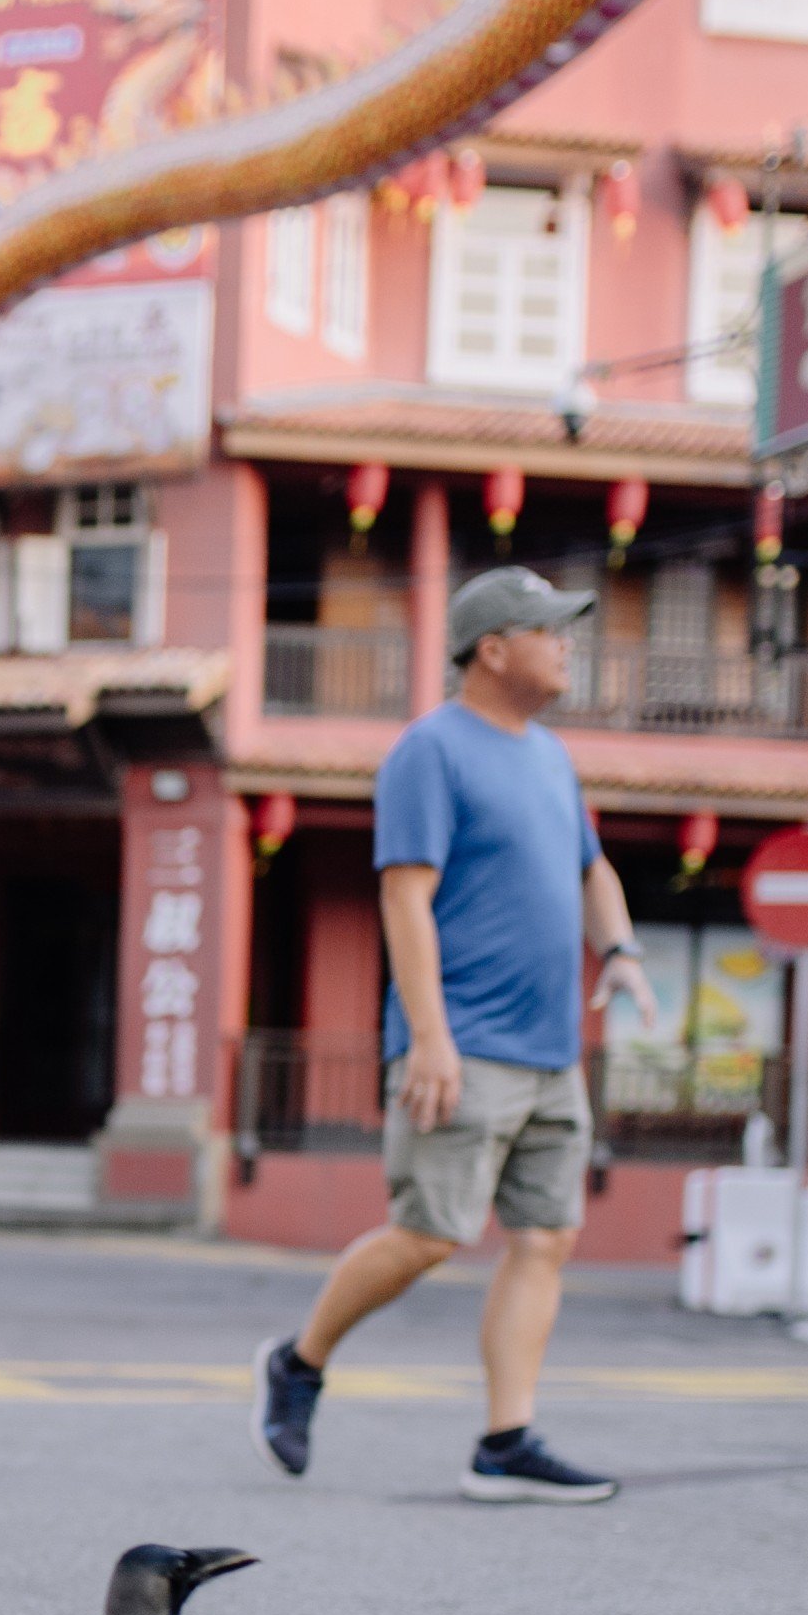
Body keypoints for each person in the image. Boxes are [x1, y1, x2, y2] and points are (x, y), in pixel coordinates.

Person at [257, 567, 659, 1504]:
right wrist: (427, 1037)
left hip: (550, 1048)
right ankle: (299, 1363)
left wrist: (624, 952)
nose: (568, 645)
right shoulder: (428, 751)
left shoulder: (551, 757)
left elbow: (591, 871)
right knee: (430, 1233)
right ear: (493, 648)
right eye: (551, 630)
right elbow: (404, 896)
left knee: (546, 1238)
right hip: (464, 1041)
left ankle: (505, 1441)